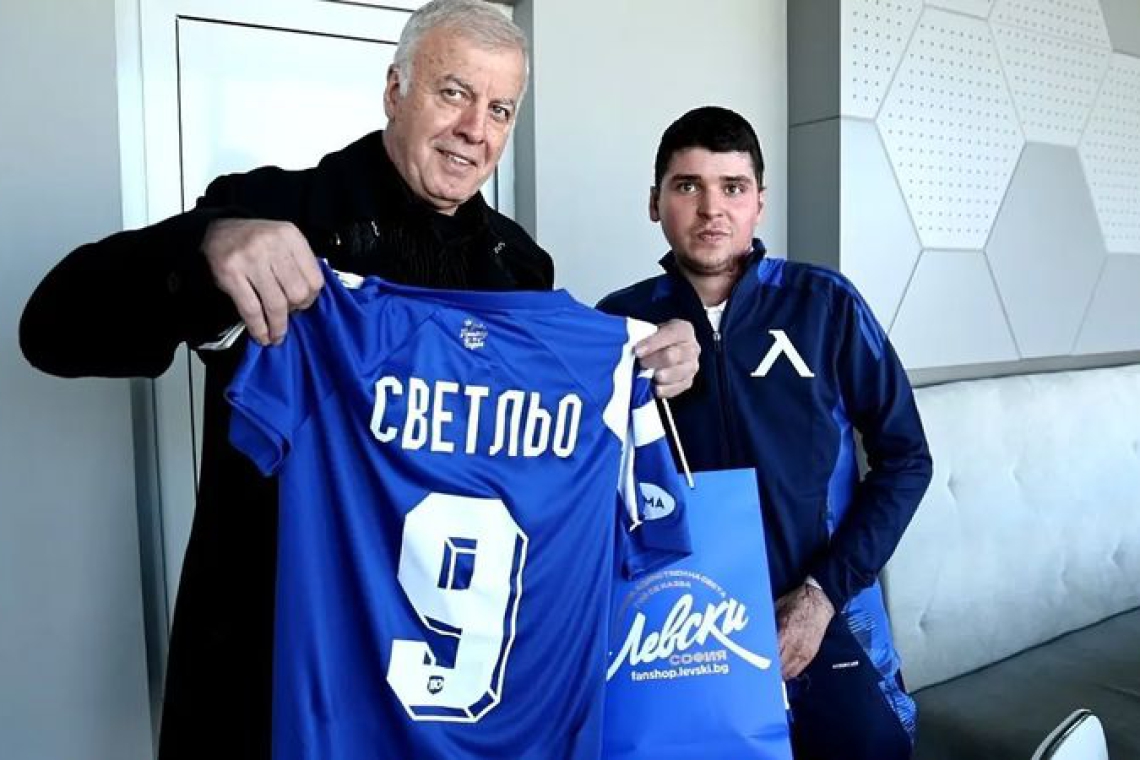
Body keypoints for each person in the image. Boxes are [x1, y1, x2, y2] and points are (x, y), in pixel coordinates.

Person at [18, 2, 698, 756]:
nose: (475, 128)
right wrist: (202, 247)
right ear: (395, 90)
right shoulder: (275, 213)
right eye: (453, 92)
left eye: (500, 109)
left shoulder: (520, 268)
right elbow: (51, 330)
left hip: (456, 708)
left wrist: (642, 371)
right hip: (277, 684)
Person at [598, 106, 933, 760]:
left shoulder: (825, 304)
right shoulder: (619, 323)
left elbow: (907, 459)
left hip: (826, 612)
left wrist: (823, 595)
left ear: (760, 202)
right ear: (655, 202)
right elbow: (584, 481)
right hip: (680, 623)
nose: (711, 209)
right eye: (688, 185)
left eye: (733, 187)